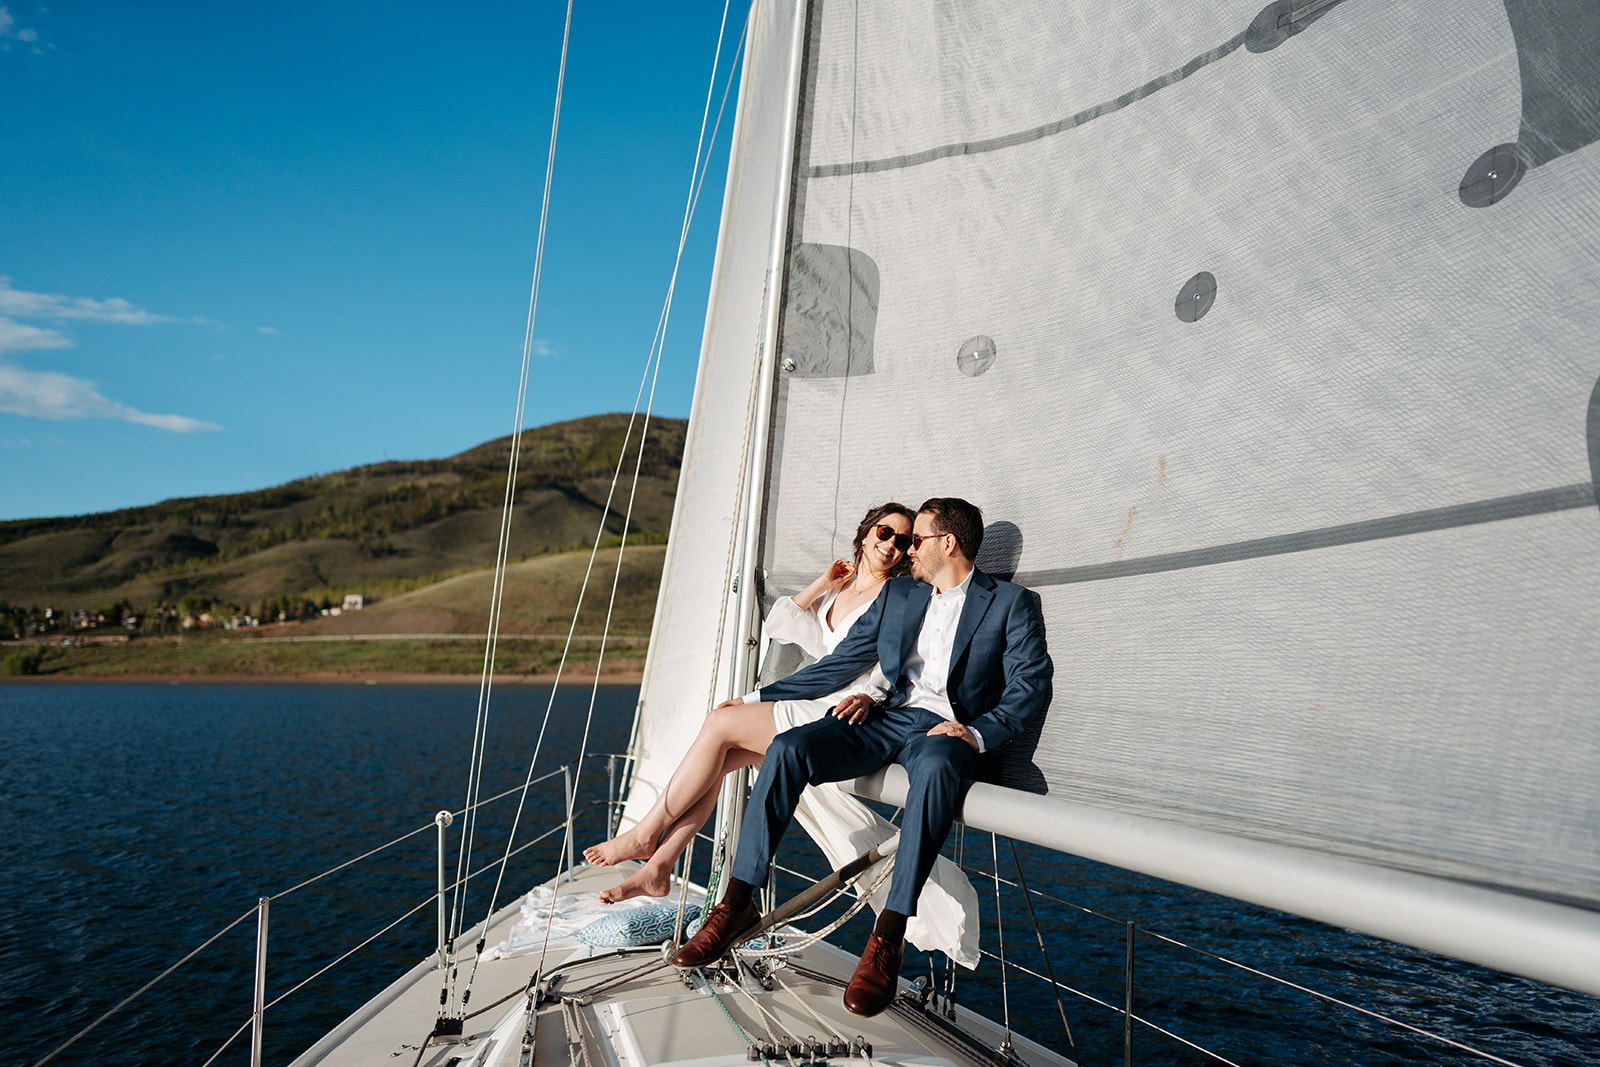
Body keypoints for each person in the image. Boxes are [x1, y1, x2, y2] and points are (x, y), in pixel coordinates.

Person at [671, 497, 1052, 1018]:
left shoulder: (1009, 602)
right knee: (788, 748)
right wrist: (760, 698)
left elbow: (1032, 685)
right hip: (886, 716)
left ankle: (887, 937)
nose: (906, 551)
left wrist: (978, 733)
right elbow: (842, 663)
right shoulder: (900, 593)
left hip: (947, 732)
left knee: (939, 767)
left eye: (916, 541)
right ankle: (737, 903)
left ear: (948, 543)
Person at [583, 504, 915, 899]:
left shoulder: (894, 595)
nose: (891, 544)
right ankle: (659, 865)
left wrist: (870, 696)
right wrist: (822, 584)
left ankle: (644, 834)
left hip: (839, 705)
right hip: (816, 693)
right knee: (721, 760)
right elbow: (779, 626)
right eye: (884, 532)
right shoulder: (839, 589)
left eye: (903, 540)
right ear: (865, 533)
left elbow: (878, 664)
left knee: (719, 725)